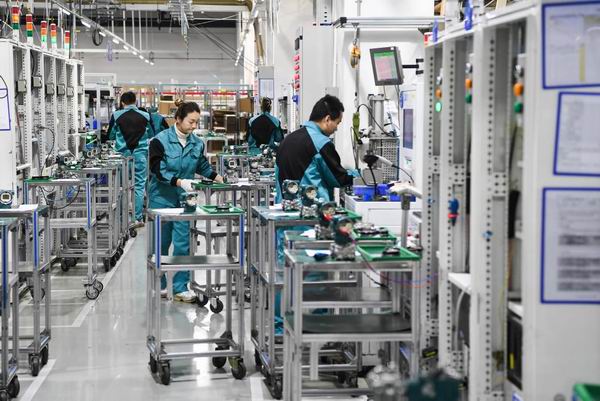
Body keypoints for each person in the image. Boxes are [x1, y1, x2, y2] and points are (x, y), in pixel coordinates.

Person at [148, 100, 224, 302]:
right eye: (191, 122)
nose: (194, 126)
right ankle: (160, 284)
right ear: (178, 119)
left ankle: (180, 287)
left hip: (185, 201)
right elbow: (157, 170)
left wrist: (218, 177)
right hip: (162, 199)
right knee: (161, 244)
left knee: (184, 244)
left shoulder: (197, 143)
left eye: (197, 122)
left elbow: (202, 166)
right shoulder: (159, 141)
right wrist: (179, 182)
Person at [276, 94, 357, 202]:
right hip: (311, 207)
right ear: (327, 119)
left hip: (284, 206)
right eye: (337, 123)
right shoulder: (321, 143)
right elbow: (338, 179)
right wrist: (359, 175)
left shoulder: (287, 140)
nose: (336, 128)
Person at [107, 91, 152, 227]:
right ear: (135, 101)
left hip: (122, 156)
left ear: (122, 102)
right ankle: (137, 218)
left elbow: (110, 135)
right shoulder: (146, 115)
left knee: (121, 186)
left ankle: (121, 218)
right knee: (139, 186)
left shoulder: (116, 115)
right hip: (140, 155)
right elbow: (151, 133)